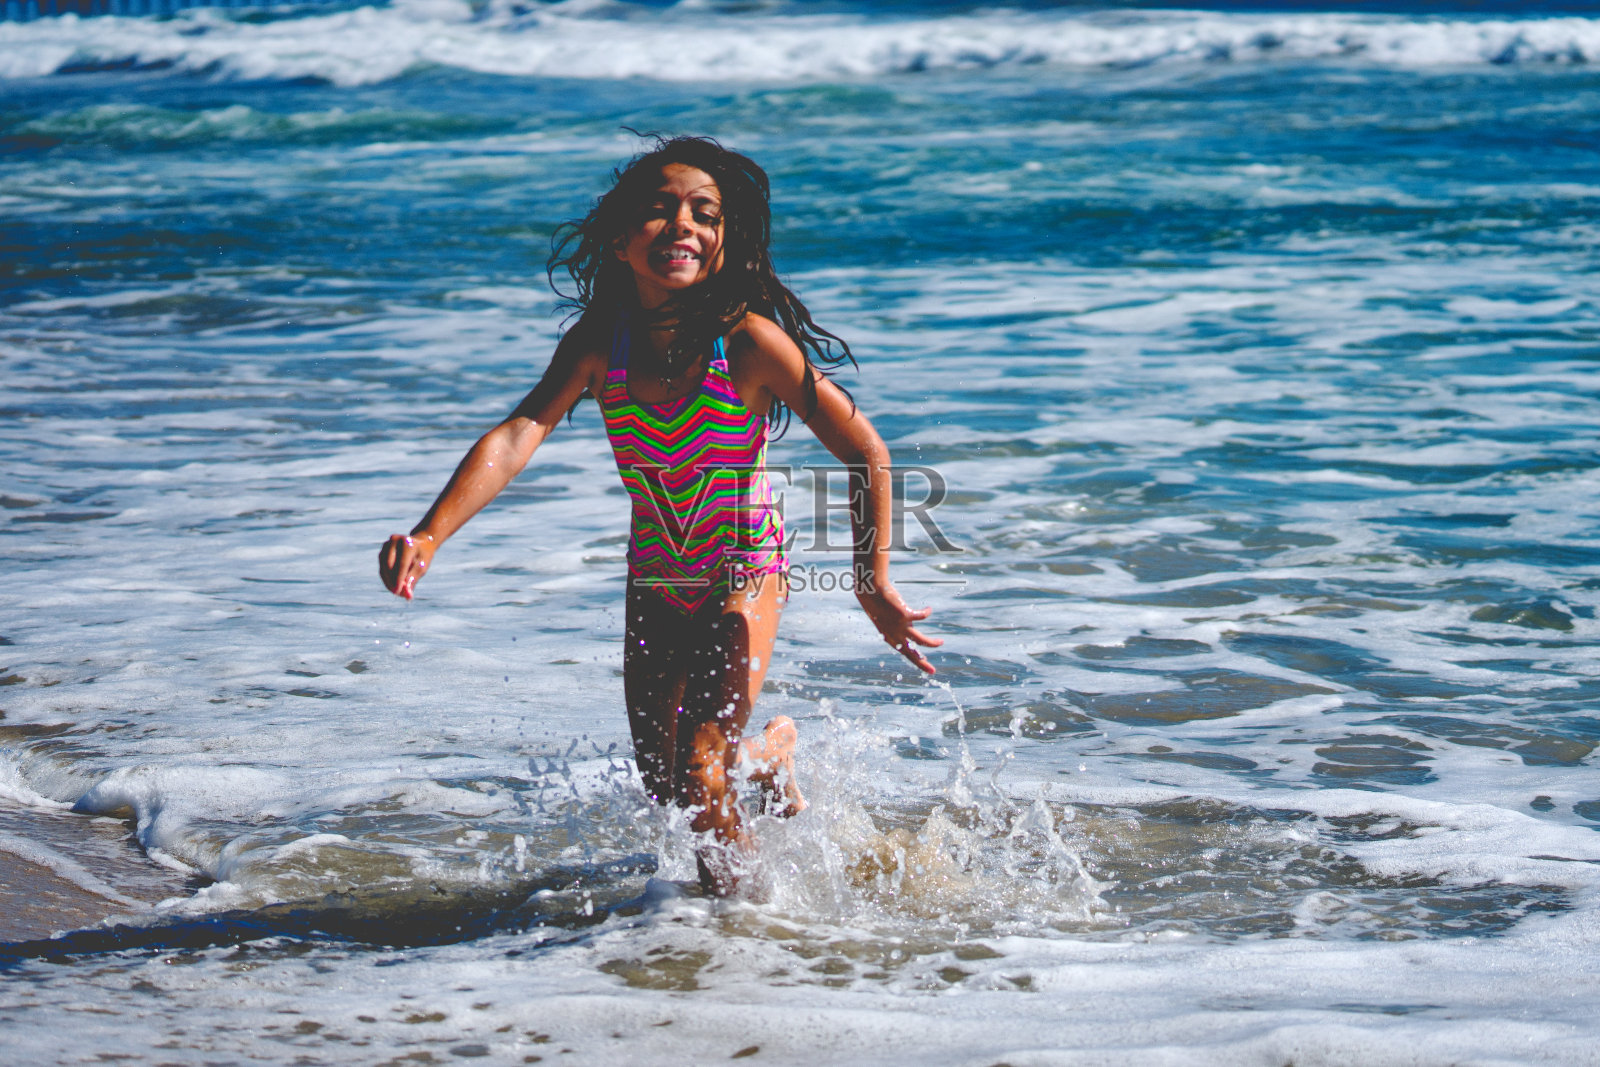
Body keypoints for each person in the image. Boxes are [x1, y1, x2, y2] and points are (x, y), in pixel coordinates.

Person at [379, 136, 941, 895]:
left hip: (745, 567)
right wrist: (429, 532)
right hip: (656, 576)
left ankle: (741, 931)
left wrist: (869, 577)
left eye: (703, 213)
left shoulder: (746, 342)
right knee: (668, 787)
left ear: (723, 243)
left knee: (703, 775)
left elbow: (866, 448)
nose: (682, 224)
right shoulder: (596, 346)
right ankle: (768, 759)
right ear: (619, 241)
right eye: (658, 210)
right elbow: (518, 435)